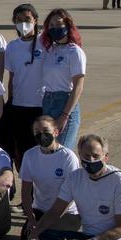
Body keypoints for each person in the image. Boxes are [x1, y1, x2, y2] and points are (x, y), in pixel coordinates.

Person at [26, 134, 121, 240]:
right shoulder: (74, 178)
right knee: (42, 238)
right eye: (86, 155)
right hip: (87, 237)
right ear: (80, 156)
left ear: (105, 157)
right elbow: (55, 212)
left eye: (95, 156)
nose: (91, 160)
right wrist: (35, 234)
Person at [18, 116, 79, 240]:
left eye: (46, 131)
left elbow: (71, 194)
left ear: (55, 132)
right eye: (37, 132)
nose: (42, 135)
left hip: (65, 212)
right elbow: (25, 191)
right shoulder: (30, 155)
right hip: (41, 210)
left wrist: (50, 221)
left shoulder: (68, 157)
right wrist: (31, 218)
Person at [0, 3, 45, 167]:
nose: (23, 24)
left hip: (40, 106)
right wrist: (11, 100)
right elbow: (12, 77)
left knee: (41, 151)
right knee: (22, 152)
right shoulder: (12, 47)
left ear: (35, 20)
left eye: (27, 19)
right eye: (18, 20)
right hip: (19, 106)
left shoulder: (45, 43)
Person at [39, 8, 87, 147]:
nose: (55, 28)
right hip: (48, 101)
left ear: (68, 26)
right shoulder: (50, 50)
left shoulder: (74, 52)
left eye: (59, 24)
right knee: (49, 149)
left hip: (65, 102)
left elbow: (78, 86)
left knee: (63, 149)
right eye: (51, 25)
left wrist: (64, 116)